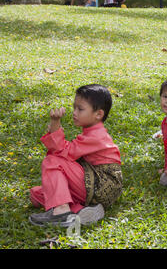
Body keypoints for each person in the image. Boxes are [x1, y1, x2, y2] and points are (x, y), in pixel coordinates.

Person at [29, 84, 122, 227]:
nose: (74, 112)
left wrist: (55, 125)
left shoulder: (97, 135)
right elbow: (64, 151)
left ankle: (61, 212)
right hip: (92, 184)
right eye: (74, 107)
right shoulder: (91, 133)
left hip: (101, 184)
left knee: (52, 161)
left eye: (80, 109)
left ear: (98, 114)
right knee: (37, 194)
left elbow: (63, 153)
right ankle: (81, 211)